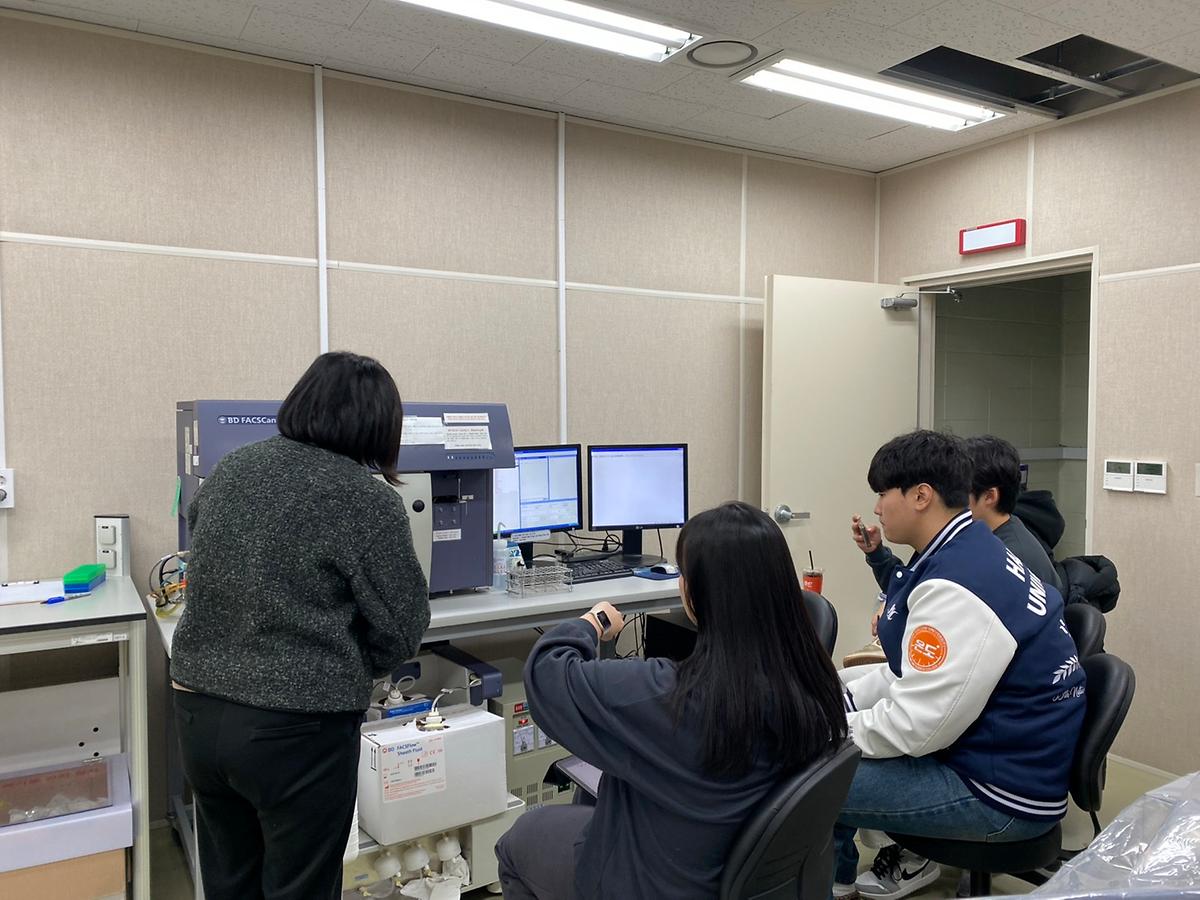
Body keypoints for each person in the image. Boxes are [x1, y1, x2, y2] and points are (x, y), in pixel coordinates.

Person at [170, 351, 431, 900]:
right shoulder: (366, 499)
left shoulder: (231, 468)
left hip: (198, 714)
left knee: (229, 882)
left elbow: (209, 558)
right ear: (378, 425)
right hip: (295, 732)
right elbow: (402, 627)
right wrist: (353, 663)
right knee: (302, 887)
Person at [495, 501, 848, 899]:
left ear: (695, 595)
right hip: (740, 873)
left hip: (659, 883)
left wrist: (592, 622)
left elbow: (547, 674)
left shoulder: (671, 697)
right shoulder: (814, 682)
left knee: (518, 841)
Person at [834, 431, 1086, 900]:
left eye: (883, 494)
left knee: (802, 779)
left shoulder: (958, 584)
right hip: (1005, 761)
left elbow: (915, 727)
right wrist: (838, 700)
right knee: (821, 744)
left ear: (921, 496)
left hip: (1000, 795)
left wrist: (823, 729)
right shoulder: (967, 549)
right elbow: (909, 672)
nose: (877, 508)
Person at [845, 434, 1063, 665]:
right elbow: (917, 583)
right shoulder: (959, 542)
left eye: (960, 489)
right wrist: (877, 555)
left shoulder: (995, 559)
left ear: (989, 496)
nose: (950, 499)